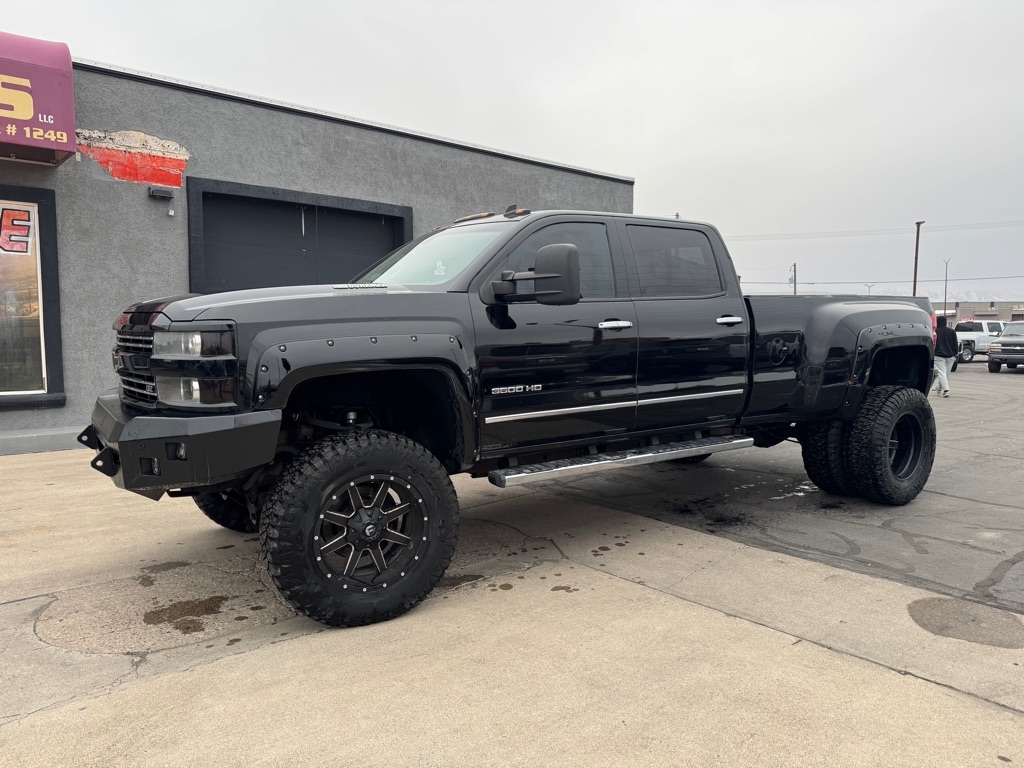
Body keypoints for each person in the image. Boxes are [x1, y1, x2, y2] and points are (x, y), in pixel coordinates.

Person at [933, 316, 958, 397]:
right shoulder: (952, 331)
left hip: (938, 355)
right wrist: (955, 353)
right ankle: (939, 388)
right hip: (950, 356)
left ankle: (946, 390)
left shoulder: (935, 332)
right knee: (945, 374)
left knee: (942, 373)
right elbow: (955, 344)